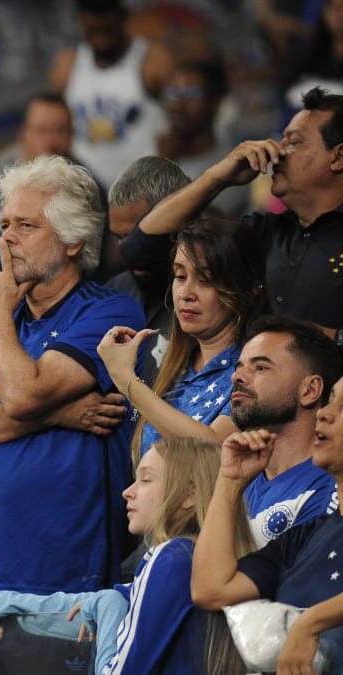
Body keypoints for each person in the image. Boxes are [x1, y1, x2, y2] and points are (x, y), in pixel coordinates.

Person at [0, 154, 145, 613]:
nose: (6, 237)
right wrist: (60, 415)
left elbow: (22, 393)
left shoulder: (108, 313)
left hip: (61, 576)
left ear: (73, 241)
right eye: (4, 223)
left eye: (25, 226)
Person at [0, 436, 251, 675]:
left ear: (190, 495)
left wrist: (109, 605)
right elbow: (87, 608)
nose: (128, 492)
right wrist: (11, 605)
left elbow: (115, 644)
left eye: (146, 480)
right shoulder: (193, 559)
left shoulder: (171, 557)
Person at [135, 86, 343, 334]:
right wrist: (216, 177)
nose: (277, 152)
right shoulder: (260, 232)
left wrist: (323, 340)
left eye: (294, 142)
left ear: (338, 157)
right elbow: (141, 248)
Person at [190, 397, 343, 674]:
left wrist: (312, 622)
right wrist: (230, 482)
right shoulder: (307, 536)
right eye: (330, 401)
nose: (324, 413)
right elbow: (210, 590)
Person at [98, 218, 271, 461]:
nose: (186, 294)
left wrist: (126, 380)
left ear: (249, 290)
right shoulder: (177, 367)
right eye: (180, 276)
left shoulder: (258, 372)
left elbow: (214, 448)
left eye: (206, 280)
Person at [231, 315, 341, 545]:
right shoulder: (236, 480)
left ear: (310, 390)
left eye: (260, 367)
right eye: (239, 367)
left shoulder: (330, 489)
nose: (236, 377)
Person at [50, 0, 174, 187]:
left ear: (122, 16)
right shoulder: (67, 66)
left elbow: (180, 128)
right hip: (88, 189)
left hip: (145, 187)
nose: (101, 37)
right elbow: (55, 129)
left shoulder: (152, 61)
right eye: (93, 30)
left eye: (106, 29)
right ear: (81, 22)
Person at [106, 155, 192, 382]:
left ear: (178, 221)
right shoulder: (116, 291)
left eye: (137, 237)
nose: (128, 252)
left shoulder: (206, 302)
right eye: (120, 237)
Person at [0, 94, 76, 256]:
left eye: (60, 131)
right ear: (23, 134)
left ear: (72, 136)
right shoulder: (1, 171)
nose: (51, 140)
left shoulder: (86, 185)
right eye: (42, 131)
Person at [154, 60, 248, 217]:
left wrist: (163, 167)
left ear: (216, 103)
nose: (178, 105)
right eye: (172, 93)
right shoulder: (154, 153)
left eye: (192, 94)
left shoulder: (231, 168)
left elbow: (197, 227)